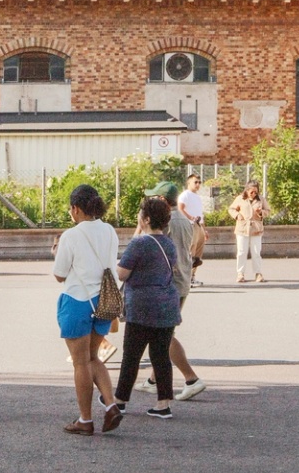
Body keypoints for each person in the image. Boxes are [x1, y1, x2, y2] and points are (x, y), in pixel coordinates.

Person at [102, 197, 184, 427]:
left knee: (132, 356)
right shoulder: (168, 243)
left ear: (146, 219)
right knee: (160, 357)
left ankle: (120, 400)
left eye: (140, 214)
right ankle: (163, 404)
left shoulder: (139, 243)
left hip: (142, 306)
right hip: (167, 305)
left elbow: (121, 273)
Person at [52, 184, 120, 434]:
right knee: (94, 357)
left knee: (80, 363)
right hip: (104, 300)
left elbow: (60, 275)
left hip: (77, 301)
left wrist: (56, 252)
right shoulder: (110, 230)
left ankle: (85, 419)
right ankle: (111, 404)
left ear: (76, 208)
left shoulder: (71, 235)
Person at [147, 183, 206, 400]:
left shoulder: (166, 222)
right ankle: (152, 380)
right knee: (164, 331)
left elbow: (156, 249)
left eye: (154, 198)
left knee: (163, 335)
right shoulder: (184, 219)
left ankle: (191, 379)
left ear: (162, 199)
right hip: (182, 278)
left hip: (168, 282)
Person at [228, 181, 269, 284]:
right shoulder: (240, 199)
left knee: (256, 252)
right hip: (242, 228)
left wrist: (261, 212)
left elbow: (268, 210)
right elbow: (231, 209)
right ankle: (240, 273)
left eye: (256, 192)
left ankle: (258, 273)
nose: (254, 194)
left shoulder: (261, 199)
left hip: (256, 229)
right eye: (252, 192)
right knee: (241, 252)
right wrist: (237, 215)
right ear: (247, 190)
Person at [178, 175, 207, 281]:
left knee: (198, 252)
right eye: (195, 182)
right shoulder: (185, 195)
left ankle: (192, 275)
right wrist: (190, 217)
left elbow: (200, 214)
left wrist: (204, 229)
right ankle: (186, 276)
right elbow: (180, 208)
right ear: (188, 183)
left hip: (199, 225)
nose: (198, 184)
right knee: (191, 250)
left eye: (199, 182)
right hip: (190, 225)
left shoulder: (198, 197)